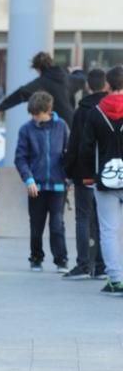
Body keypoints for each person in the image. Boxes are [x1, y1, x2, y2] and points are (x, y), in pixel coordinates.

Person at [78, 65, 123, 296]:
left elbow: (86, 148)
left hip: (104, 179)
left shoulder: (96, 112)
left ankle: (116, 279)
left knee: (108, 230)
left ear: (107, 85)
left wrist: (87, 176)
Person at [14, 91, 70, 272]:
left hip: (58, 186)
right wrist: (28, 179)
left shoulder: (62, 127)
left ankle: (61, 260)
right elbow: (20, 158)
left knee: (57, 224)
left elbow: (69, 154)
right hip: (35, 186)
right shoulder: (26, 129)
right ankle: (36, 258)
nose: (35, 118)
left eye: (37, 114)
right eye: (32, 114)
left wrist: (69, 177)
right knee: (36, 225)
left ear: (48, 111)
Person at [63, 68, 108, 279]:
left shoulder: (81, 111)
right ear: (106, 85)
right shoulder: (111, 108)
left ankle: (83, 264)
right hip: (107, 173)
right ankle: (101, 265)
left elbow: (75, 144)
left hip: (84, 171)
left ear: (88, 86)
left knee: (82, 218)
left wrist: (68, 171)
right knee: (103, 220)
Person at [0, 51, 74, 125]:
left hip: (58, 124)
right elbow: (79, 79)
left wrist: (1, 107)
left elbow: (22, 92)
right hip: (72, 121)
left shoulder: (43, 82)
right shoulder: (65, 77)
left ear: (38, 68)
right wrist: (77, 72)